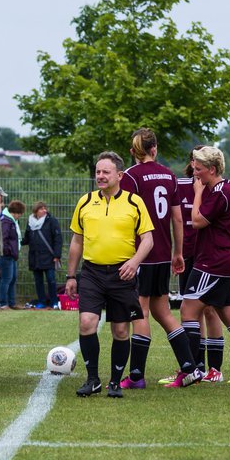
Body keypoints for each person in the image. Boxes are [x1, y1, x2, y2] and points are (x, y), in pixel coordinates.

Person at [65, 151, 155, 397]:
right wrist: (71, 276)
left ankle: (115, 382)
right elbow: (76, 240)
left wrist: (134, 262)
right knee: (86, 323)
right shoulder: (85, 201)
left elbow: (148, 239)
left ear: (119, 175)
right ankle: (92, 379)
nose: (101, 176)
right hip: (92, 273)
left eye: (106, 172)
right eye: (98, 172)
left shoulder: (134, 202)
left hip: (122, 275)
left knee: (121, 331)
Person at [117, 128, 200, 389]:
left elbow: (126, 217)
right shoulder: (169, 175)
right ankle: (190, 367)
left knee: (139, 312)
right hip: (163, 253)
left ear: (133, 151)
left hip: (141, 254)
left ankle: (137, 376)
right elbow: (177, 217)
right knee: (162, 311)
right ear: (155, 149)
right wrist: (178, 252)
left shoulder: (130, 176)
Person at [179, 145, 230, 386]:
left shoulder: (218, 192)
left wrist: (196, 194)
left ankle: (193, 370)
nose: (195, 173)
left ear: (212, 169)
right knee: (229, 315)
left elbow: (196, 221)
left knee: (188, 310)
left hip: (212, 262)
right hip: (227, 260)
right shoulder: (227, 188)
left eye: (199, 169)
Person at [24, 201, 62, 309]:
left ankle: (54, 302)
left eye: (45, 208)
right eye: (41, 208)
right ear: (36, 211)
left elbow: (58, 239)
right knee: (38, 281)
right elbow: (27, 238)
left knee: (51, 280)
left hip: (49, 257)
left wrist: (57, 255)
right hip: (35, 257)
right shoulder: (30, 222)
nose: (44, 210)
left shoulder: (52, 221)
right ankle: (41, 301)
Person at [0, 199, 23, 309]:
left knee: (12, 278)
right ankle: (3, 303)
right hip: (7, 255)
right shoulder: (6, 221)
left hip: (12, 255)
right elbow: (4, 238)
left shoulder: (12, 221)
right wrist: (8, 251)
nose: (20, 216)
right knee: (6, 279)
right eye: (20, 214)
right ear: (16, 212)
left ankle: (11, 302)